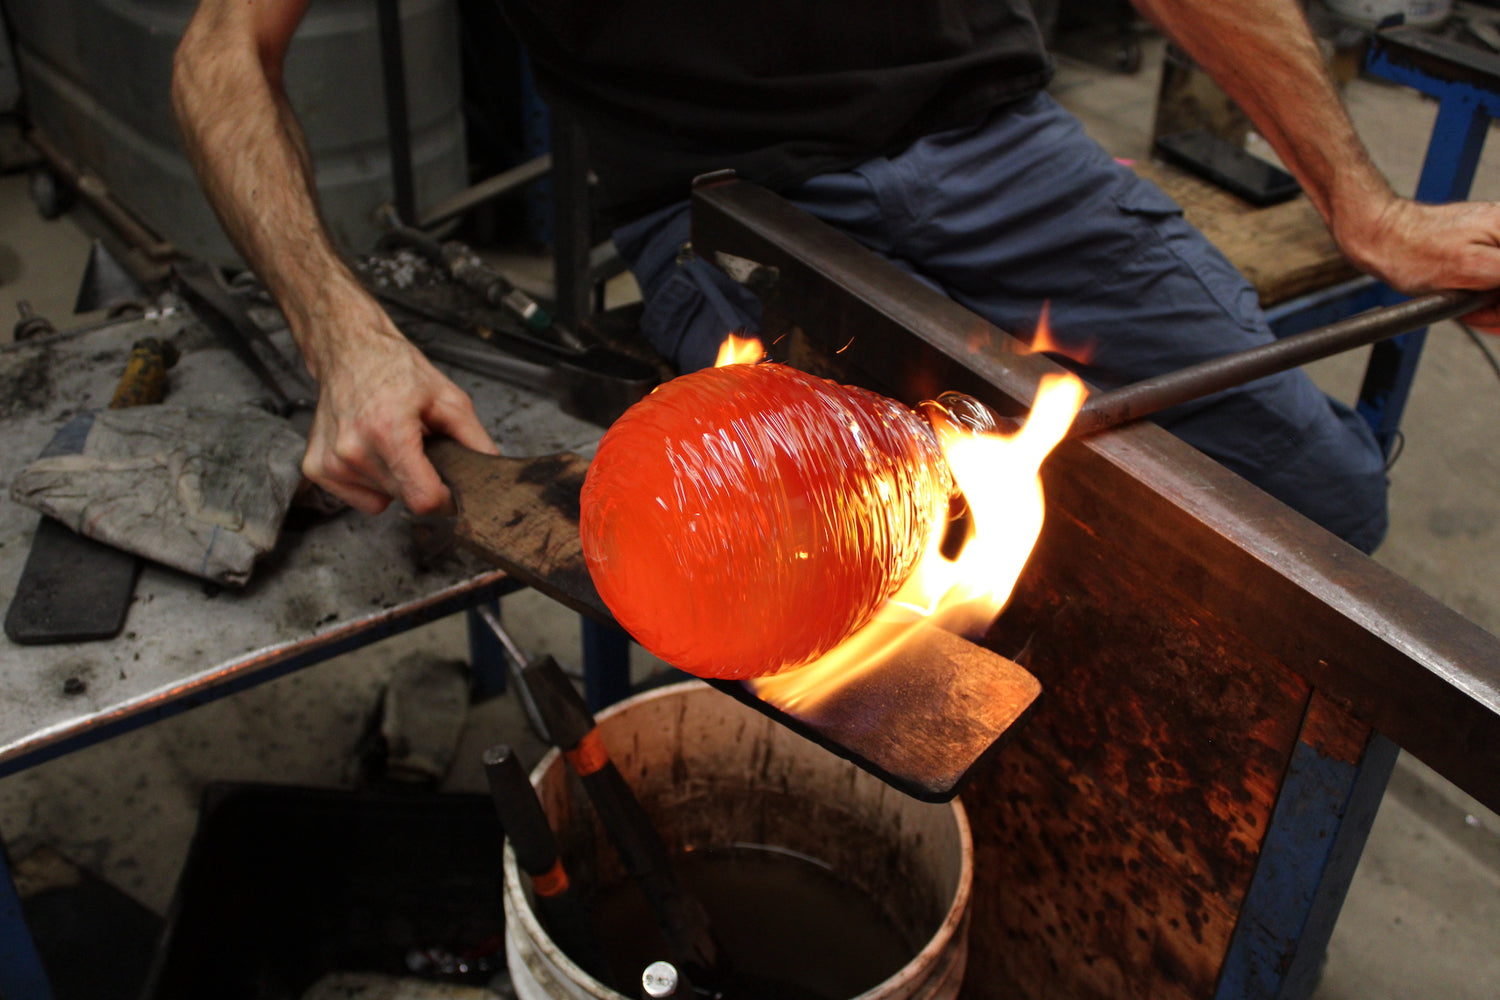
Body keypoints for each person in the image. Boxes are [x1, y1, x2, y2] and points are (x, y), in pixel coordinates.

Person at [172, 1, 1500, 554]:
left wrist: (1365, 209)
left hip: (996, 141)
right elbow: (224, 46)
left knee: (1321, 506)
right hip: (727, 206)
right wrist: (345, 337)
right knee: (855, 586)